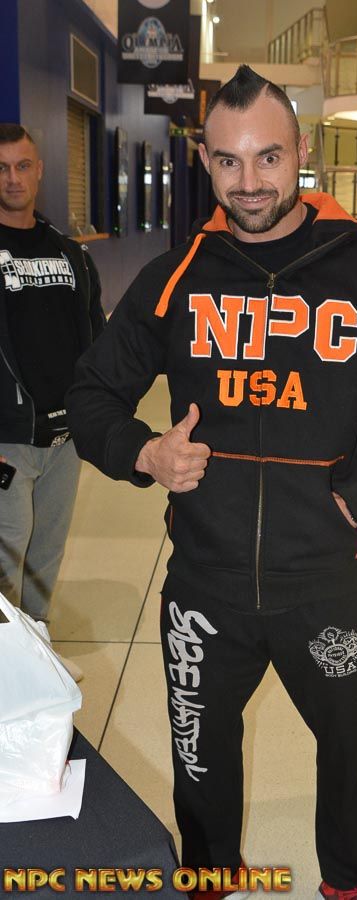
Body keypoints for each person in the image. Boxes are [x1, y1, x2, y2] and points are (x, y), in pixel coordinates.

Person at [66, 65, 357, 900]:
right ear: (205, 161)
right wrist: (144, 454)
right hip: (203, 584)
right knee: (199, 758)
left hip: (327, 583)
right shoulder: (178, 275)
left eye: (268, 157)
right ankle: (210, 875)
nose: (248, 181)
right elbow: (91, 393)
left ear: (300, 150)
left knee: (349, 755)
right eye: (228, 160)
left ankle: (351, 882)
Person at [0, 124, 105, 680]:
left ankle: (36, 659)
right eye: (1, 168)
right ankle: (7, 670)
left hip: (65, 438)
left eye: (22, 166)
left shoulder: (71, 254)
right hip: (7, 439)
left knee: (44, 557)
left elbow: (95, 337)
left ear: (39, 170)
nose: (12, 178)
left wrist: (99, 412)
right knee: (5, 558)